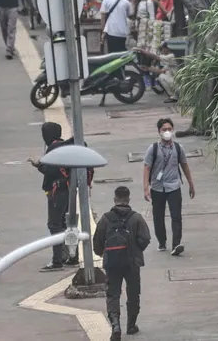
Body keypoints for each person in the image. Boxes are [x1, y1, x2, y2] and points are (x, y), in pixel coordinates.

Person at [93, 186, 150, 341]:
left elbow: (97, 243)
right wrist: (136, 249)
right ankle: (131, 325)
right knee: (133, 292)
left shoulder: (105, 219)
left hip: (112, 263)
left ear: (114, 199)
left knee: (113, 294)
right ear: (128, 199)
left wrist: (104, 253)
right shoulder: (136, 218)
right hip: (132, 262)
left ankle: (115, 325)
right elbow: (146, 238)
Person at [28, 122, 81, 271]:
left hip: (57, 191)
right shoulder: (64, 146)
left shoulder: (53, 148)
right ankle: (72, 256)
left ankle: (57, 260)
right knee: (67, 225)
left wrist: (38, 165)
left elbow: (50, 171)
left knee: (54, 225)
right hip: (68, 188)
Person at [142, 118, 195, 255]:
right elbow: (147, 168)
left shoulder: (178, 148)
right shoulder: (153, 149)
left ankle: (176, 244)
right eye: (164, 129)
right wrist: (146, 188)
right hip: (158, 188)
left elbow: (184, 165)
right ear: (159, 132)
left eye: (169, 129)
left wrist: (190, 183)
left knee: (176, 216)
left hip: (174, 187)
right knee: (158, 217)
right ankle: (161, 241)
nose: (167, 132)